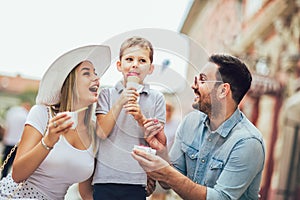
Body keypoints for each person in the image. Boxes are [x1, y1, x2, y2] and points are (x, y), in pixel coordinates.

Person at [132, 54, 266, 199]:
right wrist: (161, 150)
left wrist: (167, 173)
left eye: (202, 80)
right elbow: (169, 183)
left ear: (222, 90)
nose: (193, 85)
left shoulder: (248, 142)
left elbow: (221, 198)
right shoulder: (191, 122)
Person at [0, 45, 111, 199]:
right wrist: (48, 141)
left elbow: (86, 193)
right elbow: (17, 175)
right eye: (87, 73)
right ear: (70, 82)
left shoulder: (94, 132)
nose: (96, 78)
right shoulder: (43, 114)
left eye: (96, 74)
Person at [92, 36, 166, 200]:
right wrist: (120, 101)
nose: (135, 64)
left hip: (137, 179)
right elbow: (102, 132)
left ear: (150, 68)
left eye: (142, 60)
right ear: (119, 65)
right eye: (129, 59)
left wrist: (140, 118)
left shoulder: (157, 98)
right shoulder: (107, 94)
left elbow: (156, 141)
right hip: (105, 178)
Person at [150, 94, 180, 200]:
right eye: (164, 110)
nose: (166, 113)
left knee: (162, 191)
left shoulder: (177, 125)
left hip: (169, 161)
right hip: (155, 160)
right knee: (155, 191)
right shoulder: (155, 124)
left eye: (168, 110)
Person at [1, 99, 31, 179]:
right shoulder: (26, 115)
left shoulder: (12, 112)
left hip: (9, 141)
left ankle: (3, 178)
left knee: (6, 162)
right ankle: (10, 179)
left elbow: (7, 127)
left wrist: (5, 139)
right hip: (18, 143)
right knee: (15, 163)